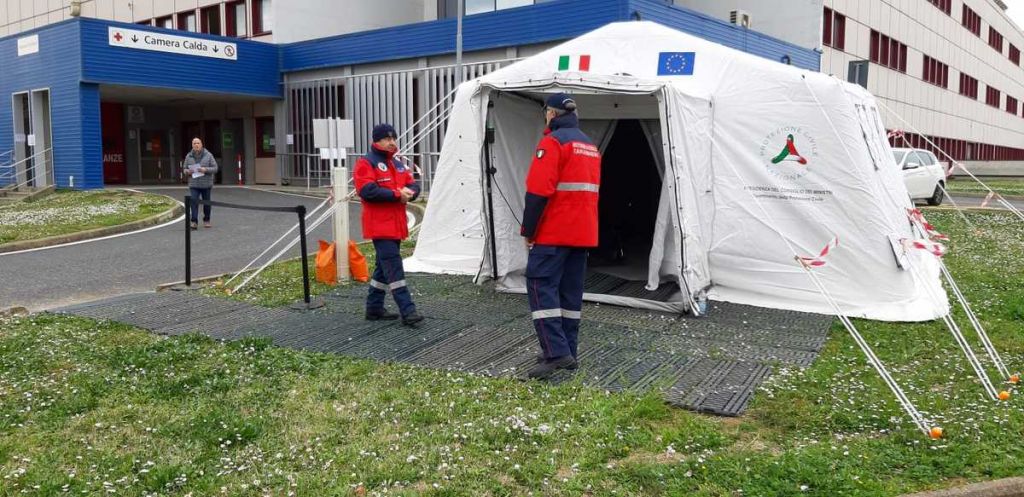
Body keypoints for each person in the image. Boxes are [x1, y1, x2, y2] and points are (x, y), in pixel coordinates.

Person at [521, 92, 602, 379]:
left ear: (551, 114)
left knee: (540, 285)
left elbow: (538, 191)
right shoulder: (589, 145)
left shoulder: (552, 142)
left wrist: (528, 231)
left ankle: (556, 353)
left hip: (554, 231)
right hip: (583, 233)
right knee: (570, 293)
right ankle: (569, 351)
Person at [354, 123, 424, 327]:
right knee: (394, 267)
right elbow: (367, 191)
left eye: (393, 138)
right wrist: (397, 194)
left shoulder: (397, 164)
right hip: (380, 227)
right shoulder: (366, 163)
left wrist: (410, 192)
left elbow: (413, 184)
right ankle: (408, 310)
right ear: (376, 141)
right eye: (386, 138)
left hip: (396, 226)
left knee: (383, 269)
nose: (392, 142)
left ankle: (374, 308)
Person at [184, 137, 218, 230]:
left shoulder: (208, 155)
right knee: (194, 202)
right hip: (194, 184)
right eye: (194, 143)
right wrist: (188, 172)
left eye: (198, 143)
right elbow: (184, 169)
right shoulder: (188, 156)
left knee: (206, 203)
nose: (196, 145)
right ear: (192, 145)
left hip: (206, 184)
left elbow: (215, 168)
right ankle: (194, 221)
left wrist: (205, 169)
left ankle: (206, 219)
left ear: (201, 144)